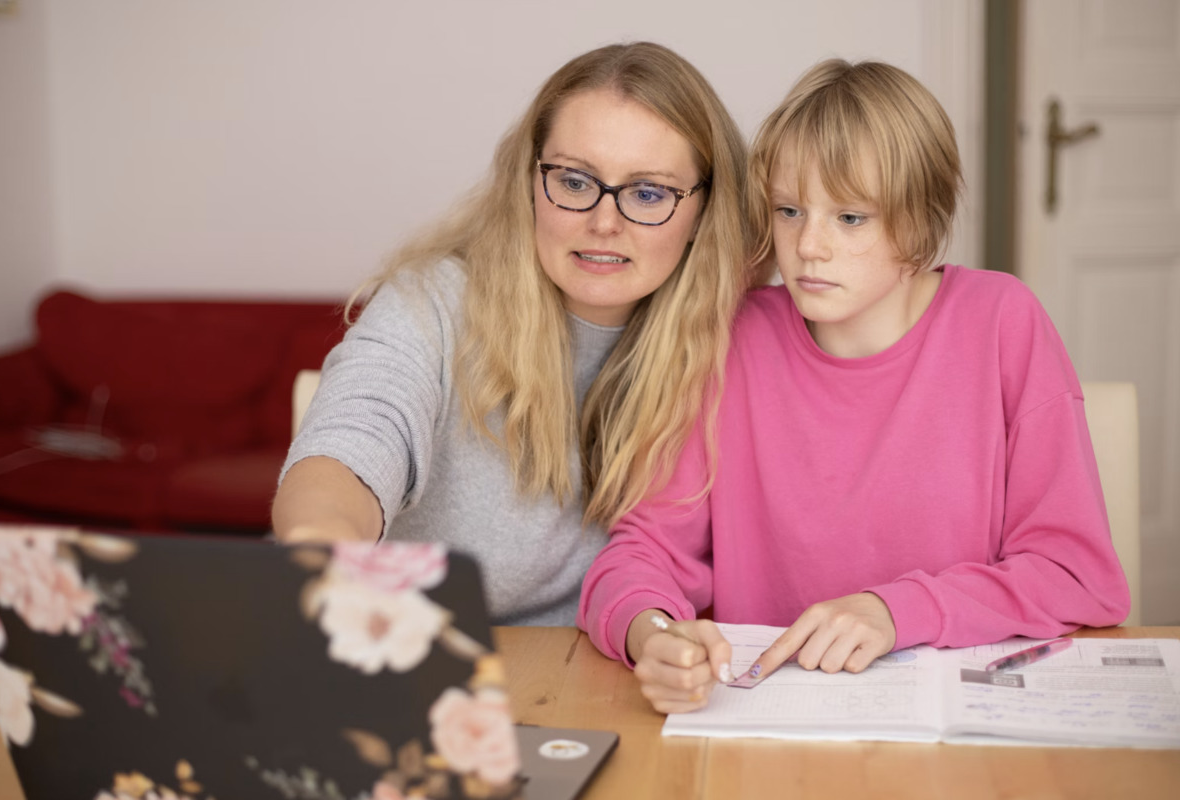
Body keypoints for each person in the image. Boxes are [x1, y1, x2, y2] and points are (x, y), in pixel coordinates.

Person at [578, 58, 1131, 712]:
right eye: (790, 210)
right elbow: (641, 553)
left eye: (850, 218)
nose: (809, 245)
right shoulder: (732, 338)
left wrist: (896, 611)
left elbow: (1076, 577)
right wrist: (654, 634)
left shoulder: (1002, 322)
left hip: (952, 732)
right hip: (764, 727)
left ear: (919, 223)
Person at [272, 42, 758, 626]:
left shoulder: (737, 340)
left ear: (704, 208)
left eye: (648, 193)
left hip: (592, 676)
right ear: (528, 181)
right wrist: (323, 545)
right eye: (576, 182)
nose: (605, 222)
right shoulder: (434, 303)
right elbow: (353, 438)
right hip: (401, 651)